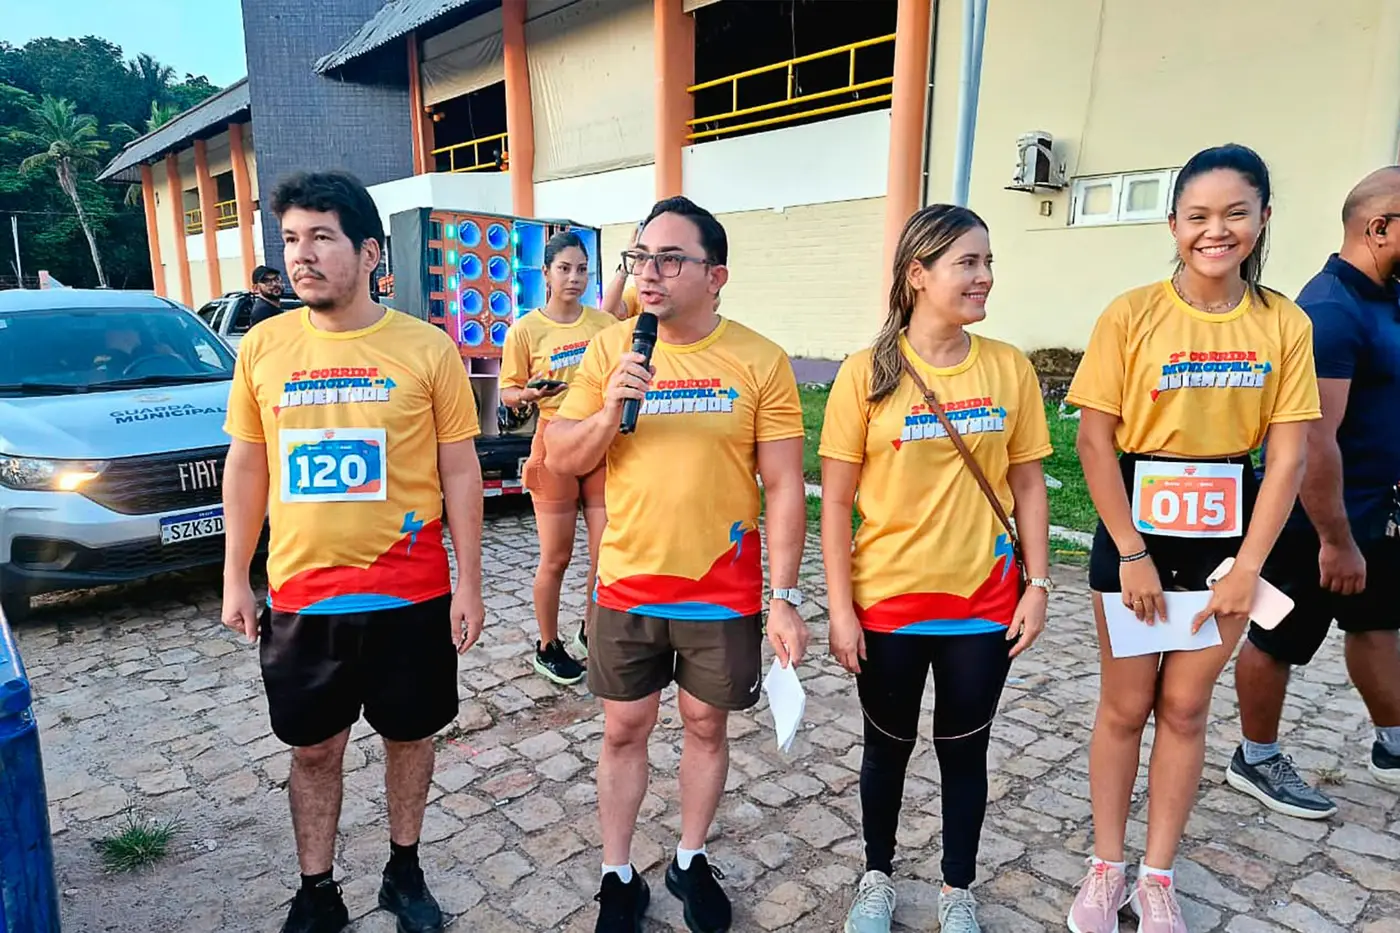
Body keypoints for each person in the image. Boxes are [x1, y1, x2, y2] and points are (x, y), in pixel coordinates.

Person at [220, 171, 486, 933]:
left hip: (411, 593)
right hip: (304, 597)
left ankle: (404, 870)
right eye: (291, 239)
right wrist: (235, 575)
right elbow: (248, 464)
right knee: (313, 749)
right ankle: (317, 889)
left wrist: (470, 581)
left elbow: (459, 468)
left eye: (321, 237)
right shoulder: (263, 346)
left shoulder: (427, 347)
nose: (301, 255)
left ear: (370, 252)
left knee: (410, 735)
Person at [1064, 144, 1320, 933]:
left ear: (1263, 218)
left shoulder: (1284, 323)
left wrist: (1248, 568)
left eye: (1236, 213)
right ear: (1173, 223)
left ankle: (1157, 876)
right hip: (1135, 529)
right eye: (1199, 216)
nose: (1217, 230)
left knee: (1184, 707)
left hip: (1228, 541)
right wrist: (1131, 552)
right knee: (1125, 706)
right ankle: (1106, 867)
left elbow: (1288, 457)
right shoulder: (1130, 314)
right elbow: (1094, 442)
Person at [545, 196, 810, 933]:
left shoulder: (759, 359)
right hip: (628, 580)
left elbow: (785, 485)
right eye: (640, 258)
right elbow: (560, 456)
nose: (648, 273)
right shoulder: (610, 350)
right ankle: (617, 872)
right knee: (623, 728)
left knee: (705, 725)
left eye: (669, 259)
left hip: (721, 586)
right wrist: (609, 410)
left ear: (715, 275)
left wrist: (784, 596)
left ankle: (690, 858)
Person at [821, 205, 1052, 933]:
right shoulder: (865, 374)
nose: (985, 277)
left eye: (988, 261)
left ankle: (957, 889)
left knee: (965, 751)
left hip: (983, 603)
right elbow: (836, 502)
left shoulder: (1008, 367)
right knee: (885, 750)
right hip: (887, 602)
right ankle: (876, 879)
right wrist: (839, 608)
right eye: (968, 263)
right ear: (918, 275)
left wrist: (1039, 584)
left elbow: (1029, 485)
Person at [1227, 166, 1400, 816]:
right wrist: (1335, 539)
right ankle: (1256, 757)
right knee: (1276, 635)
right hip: (1313, 522)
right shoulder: (1329, 311)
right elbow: (1311, 440)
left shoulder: (1386, 296)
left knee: (1377, 624)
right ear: (1379, 228)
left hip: (1377, 514)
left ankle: (1393, 745)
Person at [499, 231, 616, 685]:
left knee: (605, 551)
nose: (574, 278)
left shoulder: (604, 325)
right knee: (556, 556)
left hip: (600, 441)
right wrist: (529, 393)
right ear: (545, 273)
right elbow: (508, 392)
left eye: (582, 269)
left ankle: (593, 630)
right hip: (552, 443)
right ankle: (547, 646)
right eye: (564, 269)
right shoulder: (525, 330)